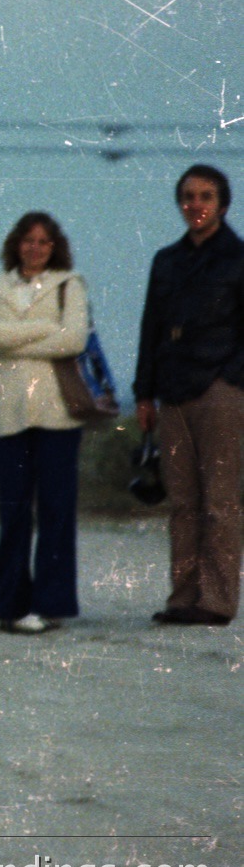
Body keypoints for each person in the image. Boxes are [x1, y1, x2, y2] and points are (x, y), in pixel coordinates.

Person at [134, 164, 244, 627]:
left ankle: (217, 601)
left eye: (205, 196)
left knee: (220, 501)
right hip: (173, 390)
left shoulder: (238, 259)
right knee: (181, 502)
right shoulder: (166, 261)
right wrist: (144, 392)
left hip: (220, 388)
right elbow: (151, 327)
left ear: (222, 203)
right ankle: (183, 598)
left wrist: (233, 378)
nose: (195, 204)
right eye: (188, 196)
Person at [0, 212, 89, 635]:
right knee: (13, 511)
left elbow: (74, 338)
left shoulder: (68, 285)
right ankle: (5, 604)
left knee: (56, 510)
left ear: (54, 246)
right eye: (28, 240)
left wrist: (17, 335)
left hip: (57, 412)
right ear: (16, 244)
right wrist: (43, 329)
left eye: (43, 241)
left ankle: (49, 605)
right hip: (9, 413)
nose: (35, 248)